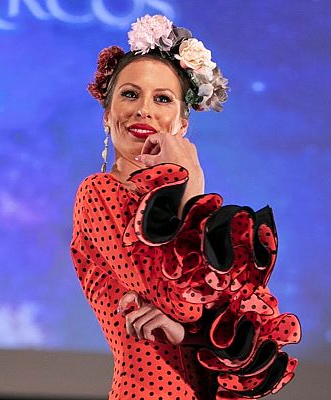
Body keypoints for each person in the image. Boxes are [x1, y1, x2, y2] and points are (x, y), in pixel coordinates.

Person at [70, 15, 301, 400]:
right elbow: (180, 298)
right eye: (129, 94)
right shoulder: (98, 193)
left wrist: (188, 332)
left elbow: (242, 340)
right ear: (107, 116)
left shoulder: (195, 217)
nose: (144, 110)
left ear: (181, 123)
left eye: (162, 98)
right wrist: (191, 178)